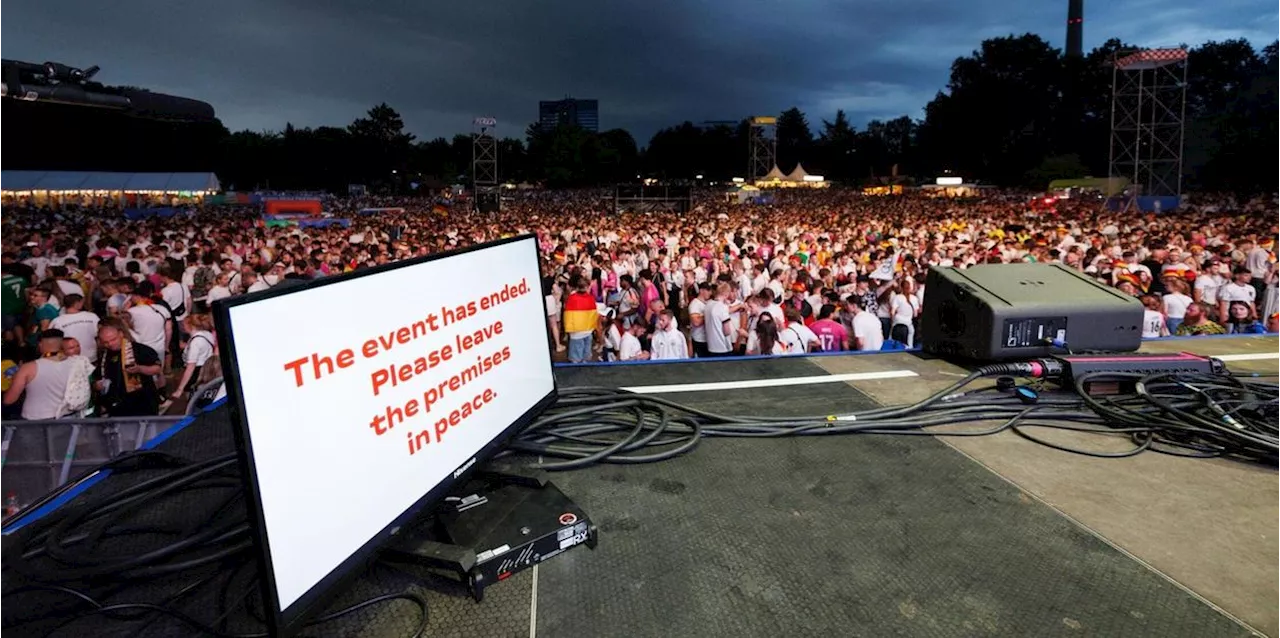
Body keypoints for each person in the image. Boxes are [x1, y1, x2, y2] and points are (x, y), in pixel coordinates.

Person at [2, 329, 77, 419]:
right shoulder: (75, 364)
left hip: (36, 421)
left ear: (40, 344)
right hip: (68, 418)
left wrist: (15, 379)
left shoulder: (28, 368)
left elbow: (9, 400)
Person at [96, 320, 163, 416]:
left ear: (121, 334)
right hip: (117, 405)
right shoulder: (104, 355)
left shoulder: (140, 349)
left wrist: (140, 369)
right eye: (106, 342)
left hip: (142, 402)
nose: (110, 344)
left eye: (113, 339)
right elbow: (98, 376)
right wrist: (97, 385)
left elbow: (157, 368)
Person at [561, 276, 599, 364]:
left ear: (577, 287)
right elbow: (594, 315)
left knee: (576, 358)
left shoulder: (572, 298)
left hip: (576, 331)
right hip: (588, 330)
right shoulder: (591, 298)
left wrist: (568, 330)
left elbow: (567, 315)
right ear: (586, 287)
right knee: (586, 353)